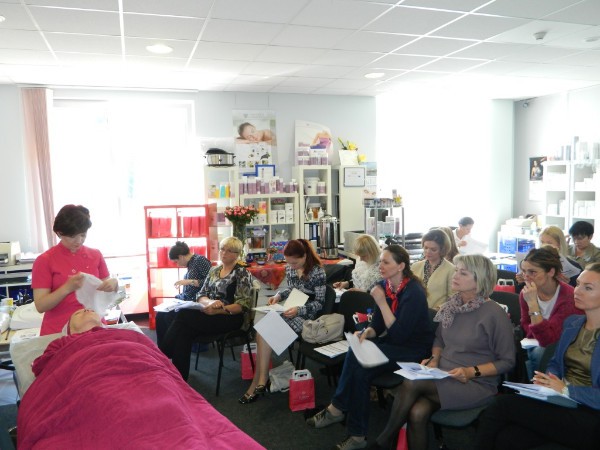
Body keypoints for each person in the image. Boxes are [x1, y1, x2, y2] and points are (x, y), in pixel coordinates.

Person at [370, 254, 515, 450]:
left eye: (463, 273)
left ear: (479, 280)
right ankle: (385, 441)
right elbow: (439, 339)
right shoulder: (452, 306)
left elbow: (507, 361)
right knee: (417, 412)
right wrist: (434, 358)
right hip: (444, 374)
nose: (455, 275)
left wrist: (471, 371)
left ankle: (383, 441)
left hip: (475, 382)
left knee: (412, 381)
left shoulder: (494, 314)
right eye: (456, 271)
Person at [306, 245, 434, 450]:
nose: (381, 265)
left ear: (401, 266)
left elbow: (400, 335)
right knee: (359, 363)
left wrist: (382, 302)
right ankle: (357, 435)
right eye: (380, 261)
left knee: (358, 361)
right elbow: (378, 325)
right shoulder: (384, 286)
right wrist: (367, 332)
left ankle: (337, 409)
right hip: (392, 344)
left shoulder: (413, 292)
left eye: (386, 262)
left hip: (413, 350)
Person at [475, 263, 600, 450]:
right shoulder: (573, 323)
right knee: (507, 438)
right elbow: (555, 362)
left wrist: (566, 389)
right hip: (563, 402)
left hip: (590, 414)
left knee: (501, 406)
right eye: (578, 284)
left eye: (587, 288)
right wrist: (549, 379)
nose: (577, 291)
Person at [240, 239, 327, 404]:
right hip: (291, 309)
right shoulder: (291, 268)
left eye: (294, 263)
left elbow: (320, 303)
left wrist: (299, 310)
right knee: (262, 330)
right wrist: (278, 295)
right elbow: (292, 289)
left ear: (305, 256)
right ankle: (261, 379)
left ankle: (259, 381)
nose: (291, 266)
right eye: (288, 262)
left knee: (264, 331)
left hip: (307, 316)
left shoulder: (317, 271)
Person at [159, 237, 255, 381]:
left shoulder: (242, 273)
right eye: (222, 249)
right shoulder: (214, 271)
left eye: (229, 251)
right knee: (184, 330)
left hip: (230, 317)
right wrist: (210, 302)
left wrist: (219, 309)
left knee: (183, 315)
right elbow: (200, 295)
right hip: (210, 313)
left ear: (237, 254)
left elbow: (242, 305)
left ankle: (161, 355)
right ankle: (179, 378)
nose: (224, 253)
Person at [32, 204, 118, 336]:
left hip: (94, 326)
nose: (79, 241)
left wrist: (113, 284)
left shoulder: (95, 255)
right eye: (72, 236)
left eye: (83, 235)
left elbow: (105, 291)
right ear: (59, 233)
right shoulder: (44, 260)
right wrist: (67, 288)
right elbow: (41, 306)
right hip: (59, 331)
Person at [519, 246, 582, 378]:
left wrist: (533, 304)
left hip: (565, 345)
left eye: (532, 272)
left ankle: (540, 386)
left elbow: (549, 340)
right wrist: (536, 333)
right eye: (524, 271)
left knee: (540, 353)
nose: (526, 277)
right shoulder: (526, 293)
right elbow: (525, 323)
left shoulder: (568, 297)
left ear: (551, 272)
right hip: (535, 341)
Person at [155, 241, 212, 346]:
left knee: (169, 316)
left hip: (196, 301)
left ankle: (174, 346)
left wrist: (189, 281)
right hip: (186, 299)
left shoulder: (200, 260)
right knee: (160, 315)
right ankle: (162, 348)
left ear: (181, 257)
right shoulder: (191, 263)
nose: (177, 264)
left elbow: (211, 282)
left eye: (176, 261)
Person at [516, 226, 581, 287]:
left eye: (549, 243)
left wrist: (567, 284)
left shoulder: (573, 266)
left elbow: (578, 290)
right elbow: (521, 290)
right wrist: (522, 281)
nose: (544, 246)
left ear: (559, 245)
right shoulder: (532, 262)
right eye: (542, 242)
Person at [412, 229, 455, 309]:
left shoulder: (451, 270)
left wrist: (438, 309)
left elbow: (453, 299)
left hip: (437, 314)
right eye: (426, 248)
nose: (428, 252)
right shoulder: (415, 266)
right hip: (414, 311)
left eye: (433, 249)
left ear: (442, 250)